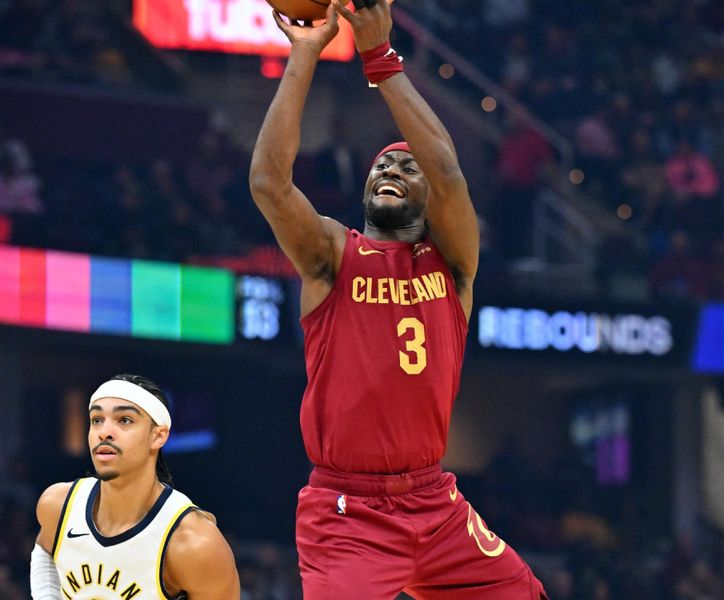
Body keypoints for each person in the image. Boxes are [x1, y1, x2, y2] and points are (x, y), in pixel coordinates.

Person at [249, 1, 548, 597]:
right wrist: (304, 56)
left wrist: (380, 59)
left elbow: (448, 171)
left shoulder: (454, 265)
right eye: (382, 162)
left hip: (435, 502)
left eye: (405, 166)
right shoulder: (332, 255)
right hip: (348, 511)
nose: (392, 166)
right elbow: (269, 183)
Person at [29, 374, 240, 599]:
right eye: (97, 419)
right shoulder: (58, 504)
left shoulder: (194, 543)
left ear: (158, 436)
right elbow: (44, 551)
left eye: (124, 420)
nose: (104, 431)